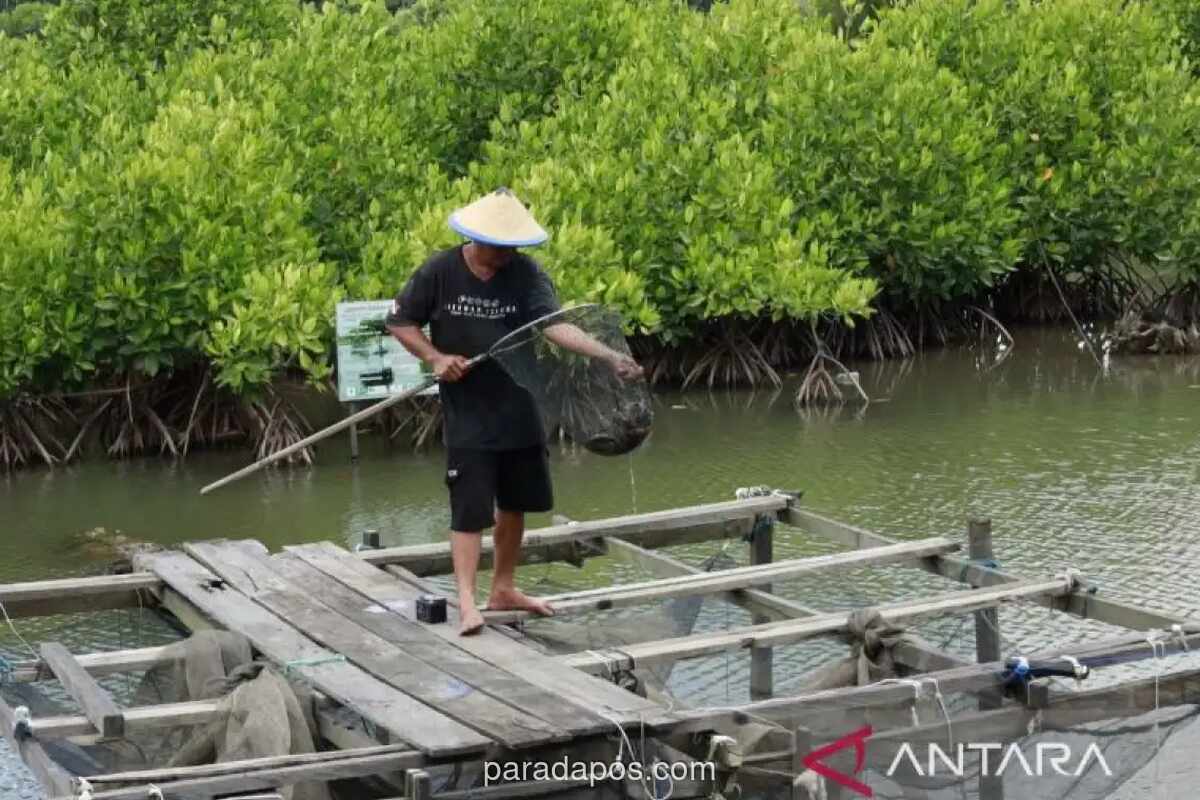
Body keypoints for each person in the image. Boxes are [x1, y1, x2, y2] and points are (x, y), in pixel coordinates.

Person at [386, 188, 643, 635]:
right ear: (476, 238)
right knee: (469, 507)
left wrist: (606, 355)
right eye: (498, 247)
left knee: (516, 502)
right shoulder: (440, 271)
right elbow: (401, 322)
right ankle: (466, 601)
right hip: (468, 407)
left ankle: (502, 588)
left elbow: (555, 324)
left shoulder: (525, 274)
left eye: (512, 248)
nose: (506, 255)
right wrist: (436, 358)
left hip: (521, 402)